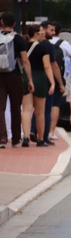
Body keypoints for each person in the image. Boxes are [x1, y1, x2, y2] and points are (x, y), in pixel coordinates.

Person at [0, 12, 33, 148]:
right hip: (14, 75)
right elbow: (24, 60)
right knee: (15, 106)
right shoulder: (18, 39)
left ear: (1, 23)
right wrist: (29, 79)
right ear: (14, 24)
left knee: (0, 107)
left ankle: (2, 138)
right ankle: (15, 138)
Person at [23, 24, 54, 147]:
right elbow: (47, 66)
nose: (43, 34)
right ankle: (40, 139)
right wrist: (52, 82)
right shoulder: (43, 48)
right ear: (36, 34)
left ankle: (25, 136)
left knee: (26, 109)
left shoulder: (24, 46)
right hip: (40, 78)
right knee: (40, 112)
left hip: (26, 76)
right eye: (41, 32)